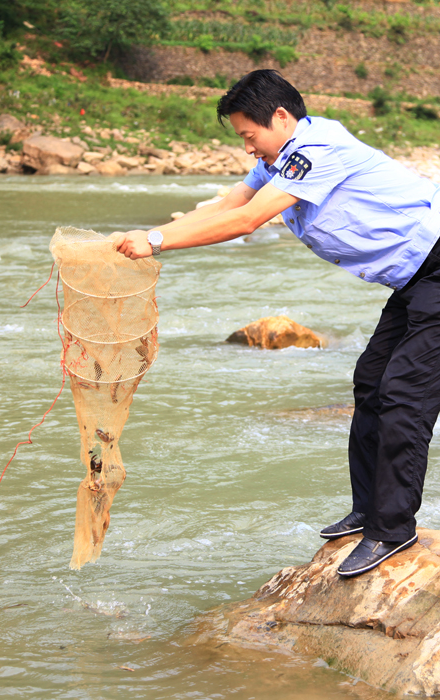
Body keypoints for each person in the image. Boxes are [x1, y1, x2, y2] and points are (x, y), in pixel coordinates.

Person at [111, 69, 440, 577]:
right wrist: (153, 232)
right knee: (370, 380)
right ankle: (369, 510)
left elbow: (247, 222)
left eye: (249, 136)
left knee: (404, 393)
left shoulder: (316, 150)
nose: (248, 150)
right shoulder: (280, 156)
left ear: (281, 117)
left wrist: (156, 243)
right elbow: (231, 202)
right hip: (416, 276)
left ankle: (391, 530)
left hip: (437, 265)